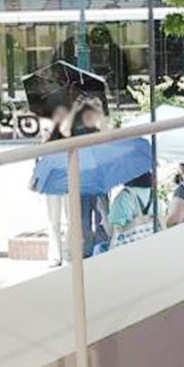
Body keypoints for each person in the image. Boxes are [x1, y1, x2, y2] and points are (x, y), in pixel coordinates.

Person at [64, 96, 110, 257]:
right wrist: (74, 109)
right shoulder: (75, 126)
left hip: (97, 178)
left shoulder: (97, 125)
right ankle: (86, 252)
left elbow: (107, 136)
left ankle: (100, 248)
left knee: (101, 215)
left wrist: (99, 110)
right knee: (82, 219)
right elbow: (64, 133)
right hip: (81, 178)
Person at [42, 104, 70, 267]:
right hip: (52, 180)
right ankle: (56, 255)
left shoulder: (68, 129)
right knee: (54, 219)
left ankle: (66, 252)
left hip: (66, 179)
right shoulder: (46, 128)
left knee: (70, 217)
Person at [106, 171, 155, 250]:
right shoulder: (153, 195)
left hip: (129, 251)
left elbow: (112, 231)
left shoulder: (124, 198)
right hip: (151, 248)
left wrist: (102, 209)